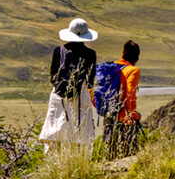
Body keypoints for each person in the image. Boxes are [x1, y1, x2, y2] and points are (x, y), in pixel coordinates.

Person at [39, 18, 98, 148]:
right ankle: (77, 157)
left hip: (58, 94)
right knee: (80, 128)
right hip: (80, 94)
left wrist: (61, 87)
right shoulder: (90, 54)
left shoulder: (58, 51)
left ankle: (55, 159)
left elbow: (53, 75)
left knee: (56, 127)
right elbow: (90, 81)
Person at [103, 40, 141, 159]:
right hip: (125, 118)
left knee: (110, 152)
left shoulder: (113, 66)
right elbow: (130, 95)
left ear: (123, 53)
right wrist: (135, 115)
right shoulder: (133, 70)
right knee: (128, 154)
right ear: (137, 56)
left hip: (109, 115)